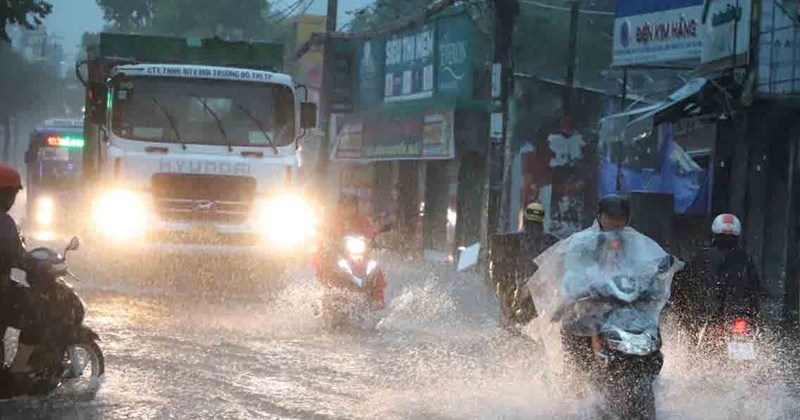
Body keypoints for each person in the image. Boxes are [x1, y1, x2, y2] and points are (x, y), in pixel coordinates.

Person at [672, 213, 762, 341]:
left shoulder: (701, 258)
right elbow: (756, 287)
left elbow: (684, 284)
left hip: (708, 315)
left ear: (714, 233)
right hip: (740, 314)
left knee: (693, 337)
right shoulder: (746, 259)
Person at [0, 165, 47, 391]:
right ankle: (19, 366)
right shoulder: (4, 223)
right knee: (38, 309)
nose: (12, 199)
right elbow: (19, 256)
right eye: (11, 193)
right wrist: (36, 265)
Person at [495, 202, 559, 332]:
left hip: (517, 289)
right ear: (542, 219)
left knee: (513, 325)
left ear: (525, 218)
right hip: (540, 293)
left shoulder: (511, 240)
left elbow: (501, 268)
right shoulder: (552, 241)